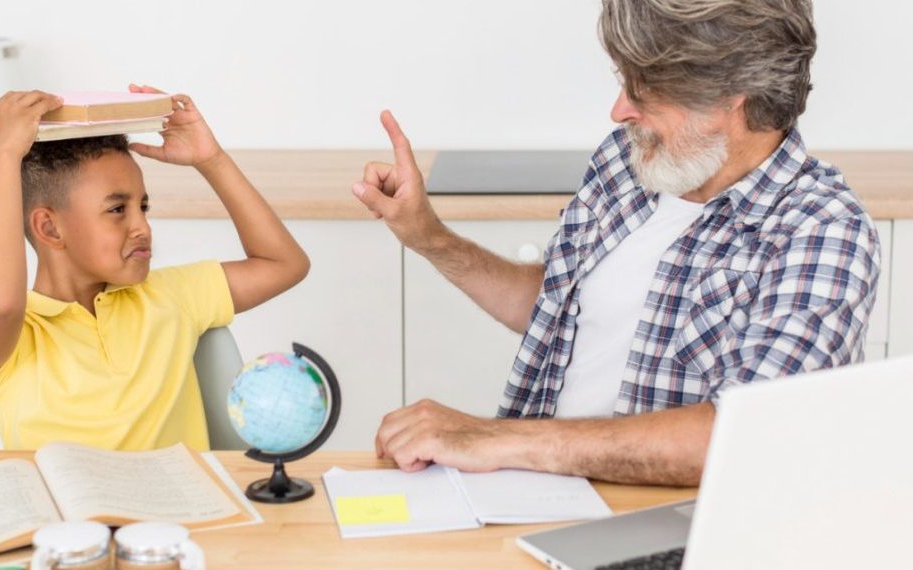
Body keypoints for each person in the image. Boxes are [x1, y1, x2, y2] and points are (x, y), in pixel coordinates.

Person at [352, 0, 880, 485]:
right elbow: (557, 308)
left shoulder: (822, 230)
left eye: (644, 91)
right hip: (536, 490)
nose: (619, 110)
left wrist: (494, 438)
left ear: (729, 96)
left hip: (672, 527)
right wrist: (428, 236)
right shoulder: (629, 160)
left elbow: (743, 434)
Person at [0, 86, 310, 451]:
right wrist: (3, 153)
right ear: (49, 228)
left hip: (179, 506)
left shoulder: (171, 297)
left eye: (143, 207)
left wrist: (212, 159)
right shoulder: (15, 336)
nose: (142, 227)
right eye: (117, 210)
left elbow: (284, 263)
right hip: (66, 510)